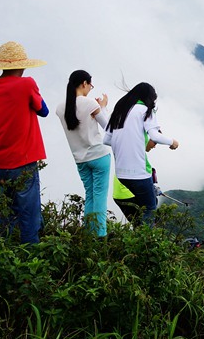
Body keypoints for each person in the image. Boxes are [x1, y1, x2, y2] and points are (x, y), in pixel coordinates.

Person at [0, 41, 48, 243]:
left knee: (8, 213)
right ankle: (31, 256)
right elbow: (44, 111)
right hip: (23, 161)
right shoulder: (27, 84)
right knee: (30, 216)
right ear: (23, 65)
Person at [102, 82, 178, 225]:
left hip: (121, 175)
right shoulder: (145, 110)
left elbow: (106, 139)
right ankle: (145, 238)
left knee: (145, 209)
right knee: (150, 210)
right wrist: (172, 142)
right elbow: (155, 135)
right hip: (139, 174)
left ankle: (140, 235)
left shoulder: (120, 110)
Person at [55, 70, 111, 237]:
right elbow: (108, 127)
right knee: (100, 197)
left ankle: (88, 234)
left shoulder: (60, 108)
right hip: (99, 156)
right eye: (90, 85)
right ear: (84, 83)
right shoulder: (89, 103)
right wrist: (103, 107)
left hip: (80, 159)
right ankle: (100, 236)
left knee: (90, 195)